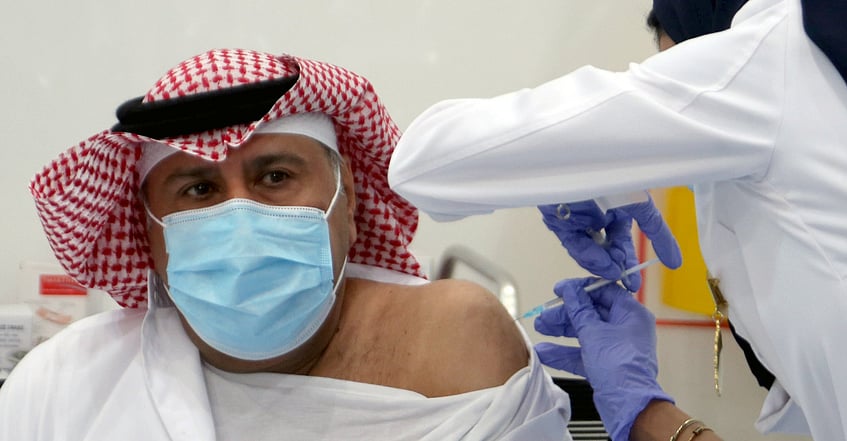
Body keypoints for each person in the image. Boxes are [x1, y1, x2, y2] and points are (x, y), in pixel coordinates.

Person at [388, 0, 847, 439]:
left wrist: (566, 177)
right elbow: (828, 389)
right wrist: (652, 414)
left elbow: (421, 160)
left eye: (669, 68)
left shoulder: (768, 59)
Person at [0, 48, 573, 441]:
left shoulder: (455, 339)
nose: (239, 212)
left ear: (347, 199)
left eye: (275, 177)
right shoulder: (66, 382)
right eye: (198, 188)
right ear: (147, 231)